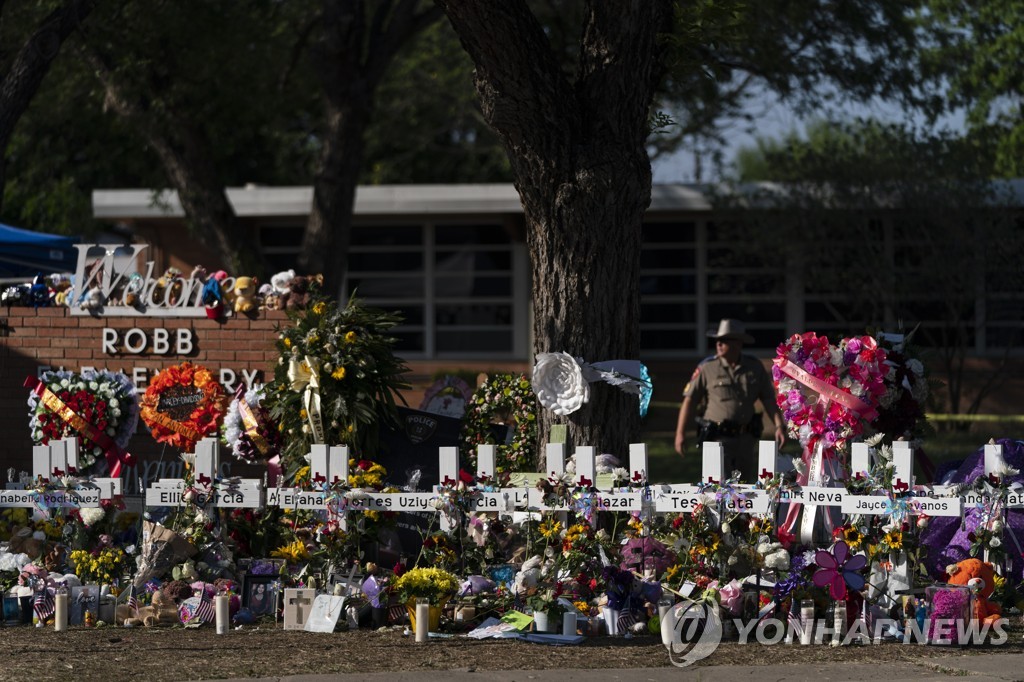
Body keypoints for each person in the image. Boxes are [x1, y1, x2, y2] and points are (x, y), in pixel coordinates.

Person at [674, 319, 785, 481]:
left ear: (738, 343)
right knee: (719, 485)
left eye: (725, 340)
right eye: (718, 340)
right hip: (717, 437)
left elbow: (768, 398)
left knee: (745, 487)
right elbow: (689, 400)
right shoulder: (707, 368)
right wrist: (680, 434)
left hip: (745, 438)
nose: (719, 344)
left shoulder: (754, 367)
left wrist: (779, 425)